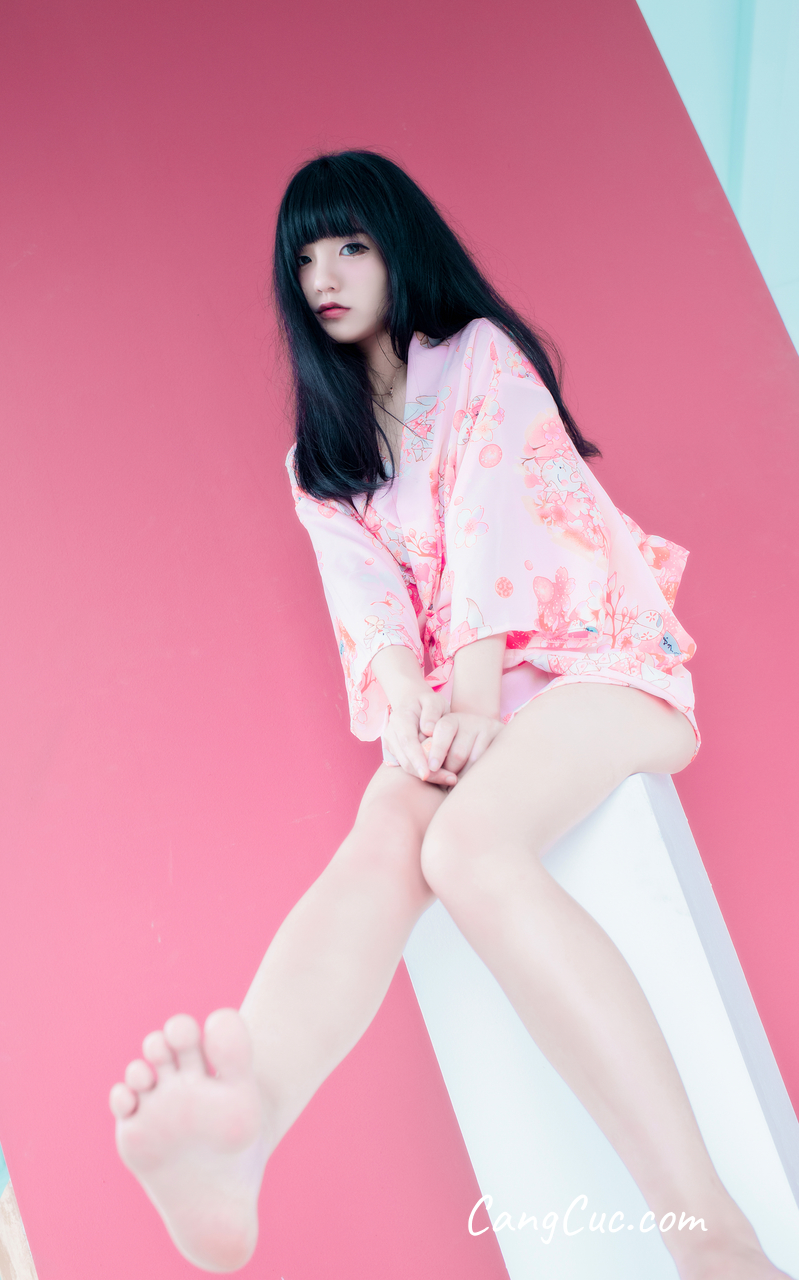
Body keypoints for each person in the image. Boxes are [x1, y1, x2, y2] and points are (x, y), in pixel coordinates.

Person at [108, 150, 791, 1279]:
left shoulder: (478, 356)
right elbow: (367, 605)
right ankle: (248, 1118)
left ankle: (711, 1237)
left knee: (467, 845)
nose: (325, 276)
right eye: (304, 258)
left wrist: (469, 696)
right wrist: (413, 712)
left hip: (593, 662)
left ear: (398, 247)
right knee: (385, 829)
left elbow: (490, 527)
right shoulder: (318, 462)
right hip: (468, 701)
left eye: (351, 245)